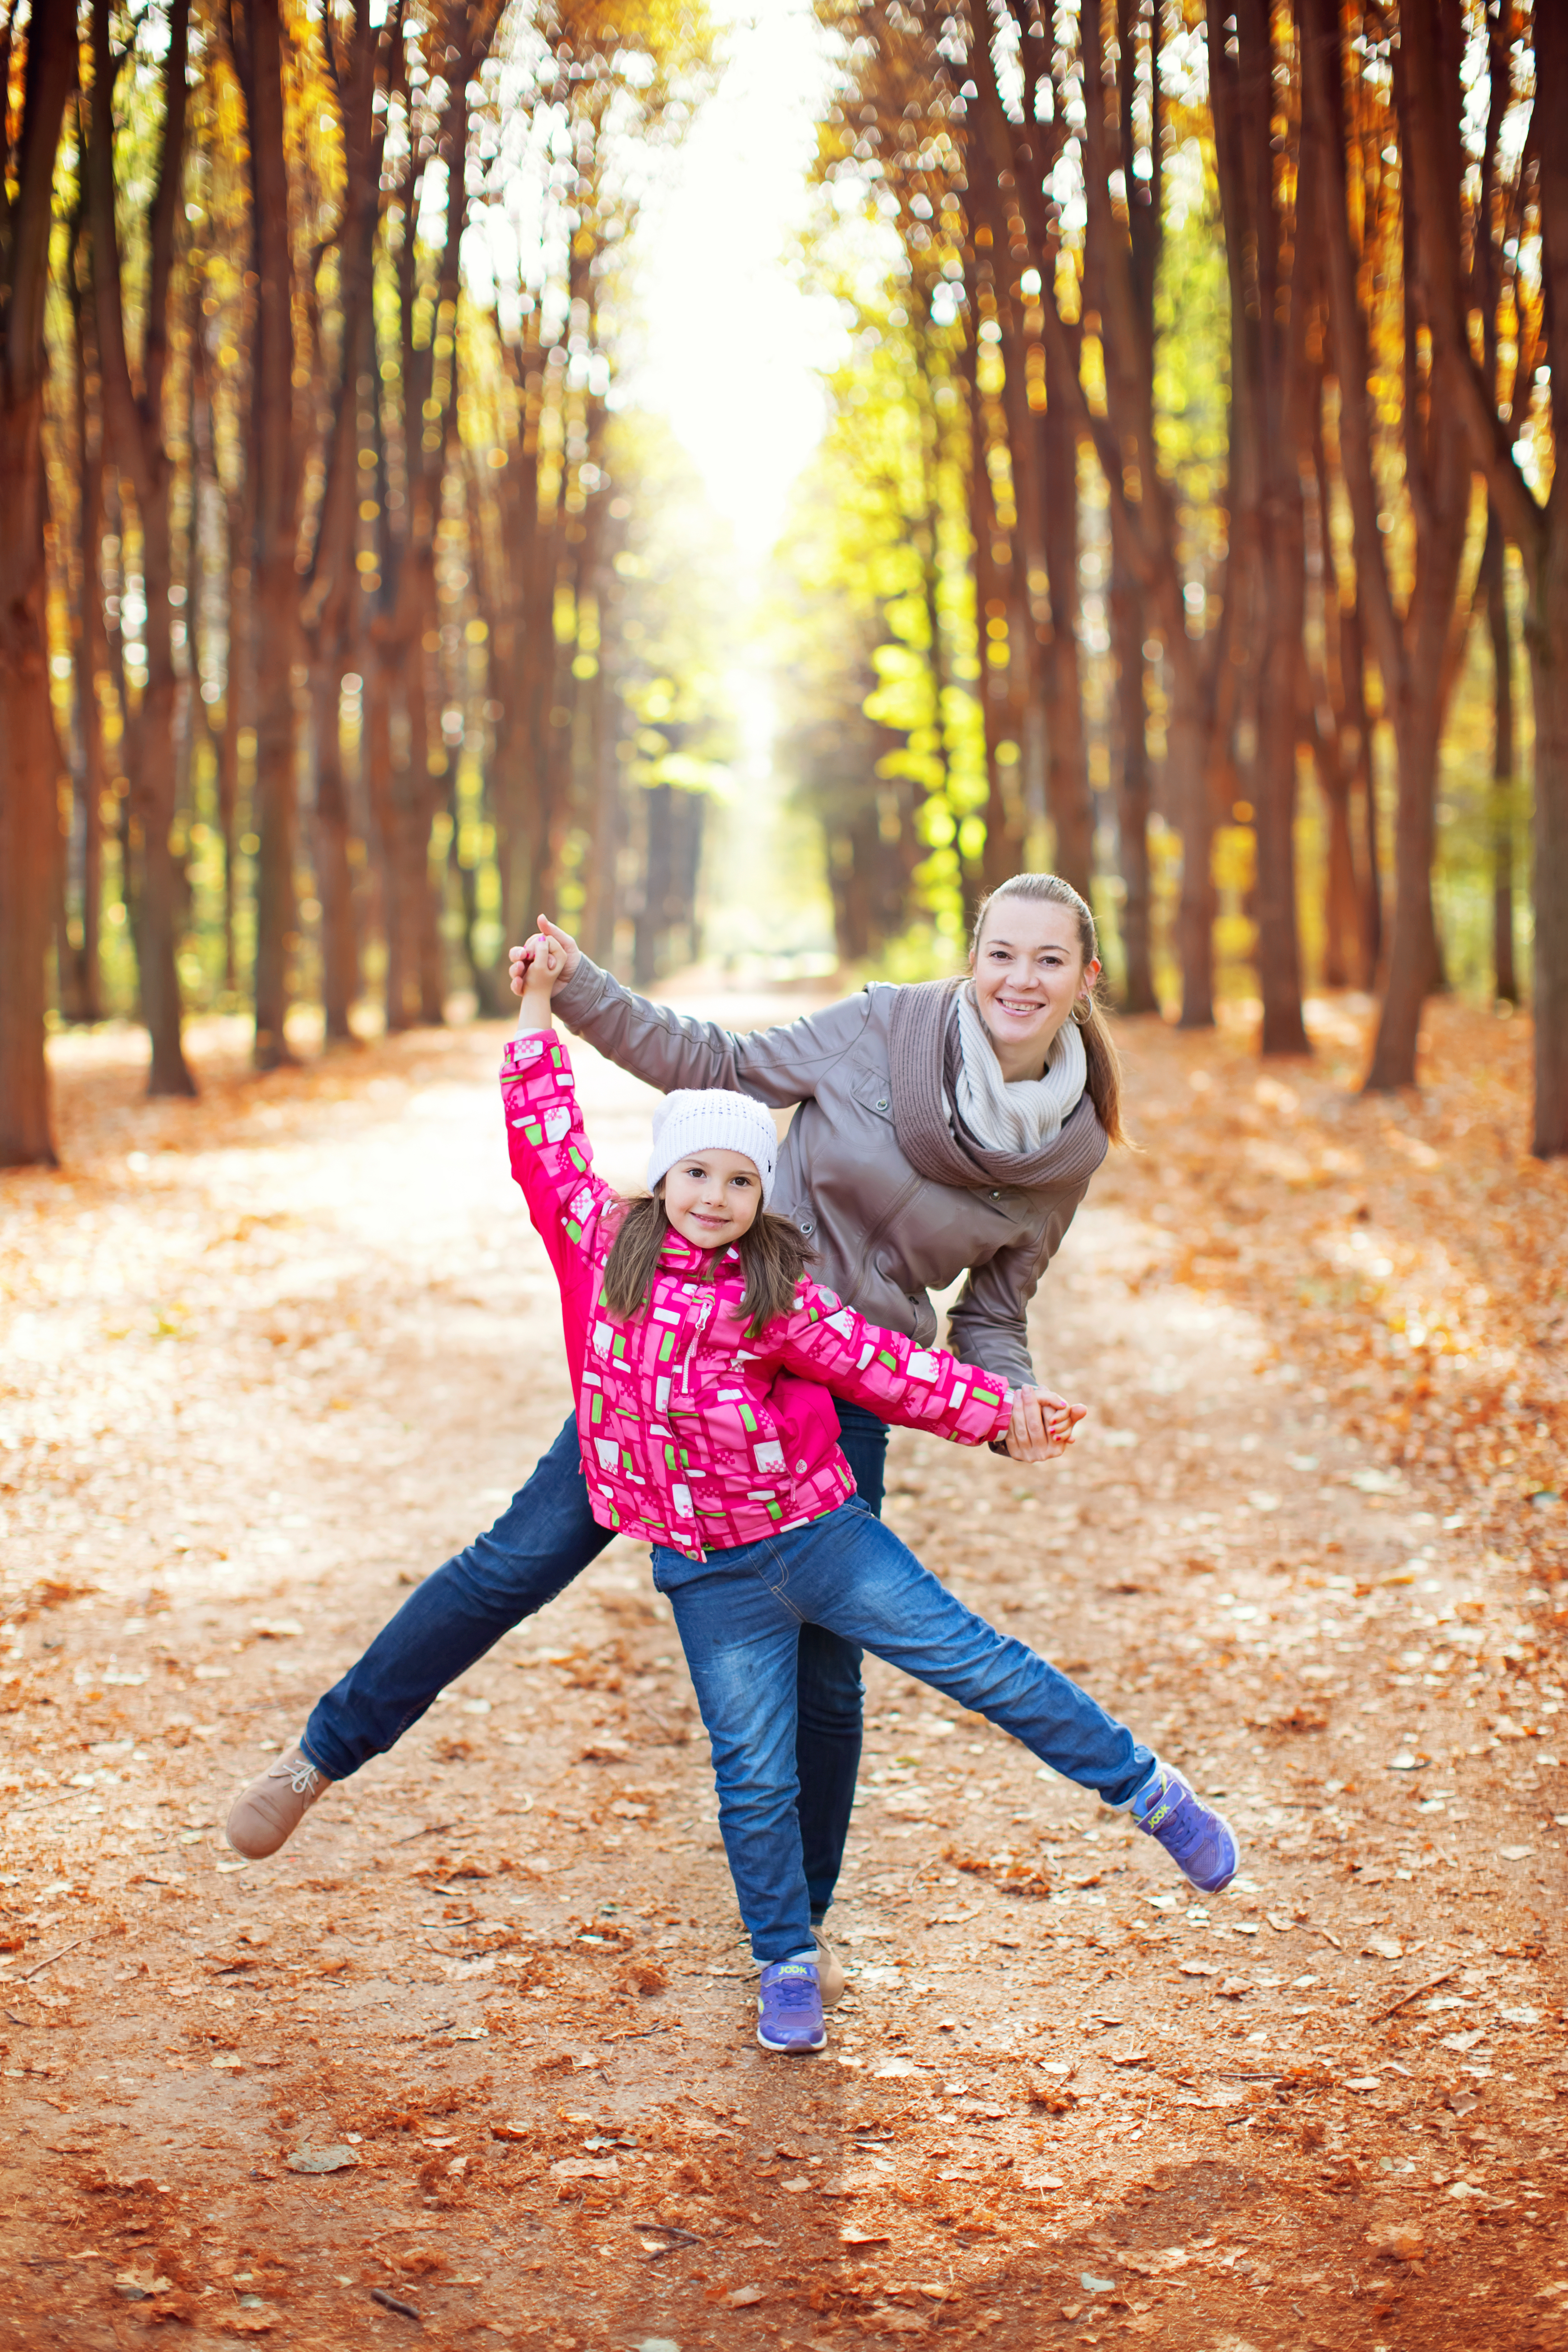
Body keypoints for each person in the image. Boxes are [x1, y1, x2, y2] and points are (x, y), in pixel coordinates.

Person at [225, 875, 1124, 1996]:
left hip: (843, 1394)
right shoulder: (882, 1029)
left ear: (1086, 978)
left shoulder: (1070, 1150)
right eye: (1002, 952)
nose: (1019, 980)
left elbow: (993, 1311)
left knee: (826, 1680)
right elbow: (722, 1068)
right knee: (511, 1564)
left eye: (1049, 960)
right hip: (693, 1344)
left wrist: (1012, 1411)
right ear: (972, 957)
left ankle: (796, 1941)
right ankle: (319, 1755)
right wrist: (576, 987)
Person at [491, 933, 1235, 2052]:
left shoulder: (780, 1292)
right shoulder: (604, 1247)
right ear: (661, 1178)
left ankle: (1150, 1791)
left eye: (742, 1179)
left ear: (765, 1195)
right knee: (750, 1772)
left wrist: (1004, 1413)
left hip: (823, 1538)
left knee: (980, 1662)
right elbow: (544, 1138)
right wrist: (538, 1011)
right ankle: (786, 1962)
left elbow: (897, 1368)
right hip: (710, 1576)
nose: (715, 1194)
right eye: (696, 1171)